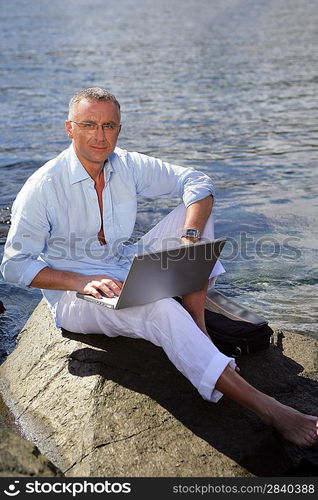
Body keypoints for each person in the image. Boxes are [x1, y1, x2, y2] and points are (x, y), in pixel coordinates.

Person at [1, 87, 317, 448]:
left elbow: (197, 182)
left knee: (195, 215)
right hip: (77, 295)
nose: (100, 136)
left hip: (126, 263)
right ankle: (272, 410)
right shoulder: (43, 186)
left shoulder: (127, 165)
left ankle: (197, 325)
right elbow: (14, 266)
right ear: (69, 128)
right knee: (160, 308)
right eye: (89, 124)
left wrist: (189, 238)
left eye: (109, 125)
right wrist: (81, 280)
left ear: (119, 129)